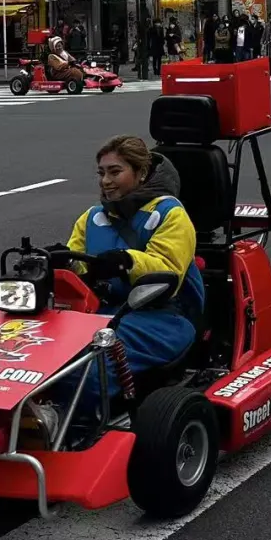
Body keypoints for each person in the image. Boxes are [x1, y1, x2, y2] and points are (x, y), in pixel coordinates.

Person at [50, 135, 203, 406]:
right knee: (41, 351)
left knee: (84, 369)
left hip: (164, 315)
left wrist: (127, 261)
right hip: (103, 310)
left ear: (141, 172)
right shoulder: (92, 218)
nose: (105, 181)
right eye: (101, 173)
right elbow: (81, 268)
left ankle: (79, 428)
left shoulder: (170, 214)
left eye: (115, 172)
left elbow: (168, 270)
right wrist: (63, 263)